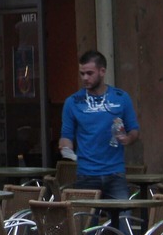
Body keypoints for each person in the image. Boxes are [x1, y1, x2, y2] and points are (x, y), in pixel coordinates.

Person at [58, 50, 140, 201]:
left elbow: (134, 129)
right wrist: (66, 148)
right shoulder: (73, 102)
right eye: (82, 74)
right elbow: (66, 135)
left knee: (123, 219)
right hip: (86, 173)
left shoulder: (121, 97)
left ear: (102, 71)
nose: (85, 78)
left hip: (115, 172)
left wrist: (128, 139)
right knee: (87, 222)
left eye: (90, 73)